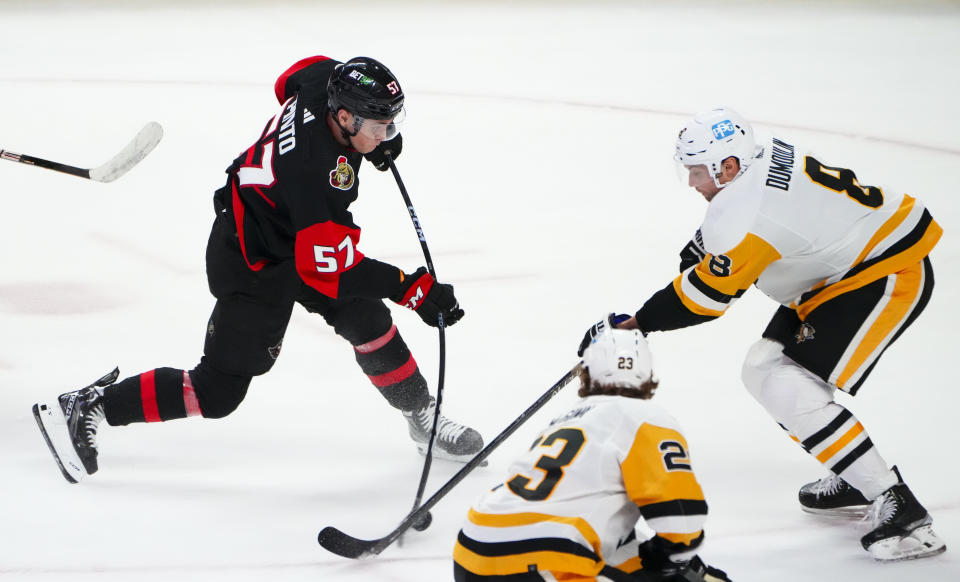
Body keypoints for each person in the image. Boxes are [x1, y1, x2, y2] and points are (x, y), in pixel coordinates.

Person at [32, 55, 484, 485]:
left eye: (391, 123)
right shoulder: (314, 176)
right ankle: (90, 406)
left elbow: (290, 77)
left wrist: (370, 143)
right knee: (218, 391)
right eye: (380, 126)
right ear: (345, 118)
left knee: (366, 319)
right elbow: (333, 270)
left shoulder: (324, 80)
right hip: (253, 258)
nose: (387, 135)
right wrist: (410, 288)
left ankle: (420, 415)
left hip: (292, 232)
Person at [579, 107, 945, 561]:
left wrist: (637, 326)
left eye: (696, 172)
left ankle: (903, 514)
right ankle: (858, 473)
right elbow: (744, 228)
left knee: (787, 385)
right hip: (842, 268)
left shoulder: (743, 216)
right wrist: (700, 254)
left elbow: (706, 299)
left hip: (884, 274)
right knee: (763, 368)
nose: (692, 182)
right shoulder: (760, 154)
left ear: (727, 167)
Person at [454, 328, 731, 582]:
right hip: (544, 561)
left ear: (586, 372)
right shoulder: (647, 418)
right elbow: (681, 522)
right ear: (647, 373)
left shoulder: (566, 419)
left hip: (472, 551)